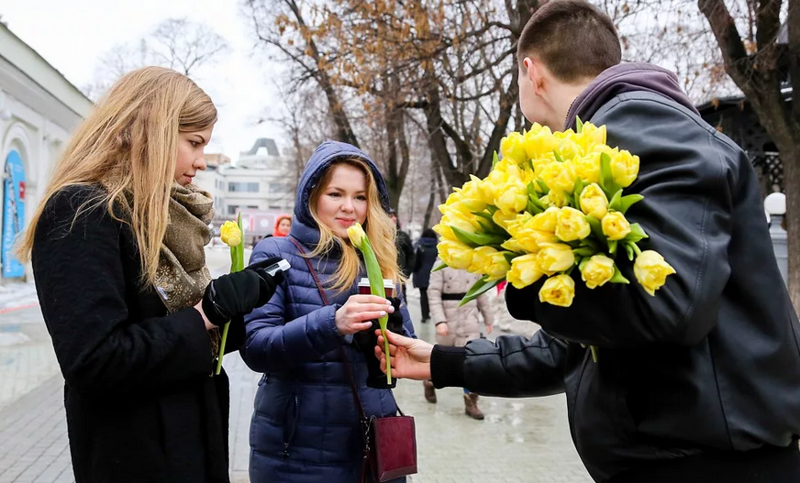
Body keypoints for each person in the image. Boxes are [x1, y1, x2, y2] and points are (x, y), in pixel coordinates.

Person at [374, 1, 800, 482]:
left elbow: (671, 307)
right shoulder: (615, 135)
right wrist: (443, 362)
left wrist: (525, 274)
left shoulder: (642, 126)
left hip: (708, 464)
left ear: (531, 72)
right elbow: (577, 349)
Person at [17, 67, 283, 483]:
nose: (199, 162)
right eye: (194, 143)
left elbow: (175, 336)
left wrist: (253, 305)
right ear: (152, 130)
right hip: (133, 455)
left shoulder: (160, 217)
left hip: (192, 444)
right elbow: (94, 361)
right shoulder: (81, 212)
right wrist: (206, 314)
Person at [240, 141, 416, 482]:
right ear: (311, 197)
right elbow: (257, 347)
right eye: (335, 194)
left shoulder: (377, 259)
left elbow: (404, 350)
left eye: (360, 197)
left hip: (370, 441)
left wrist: (391, 337)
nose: (349, 207)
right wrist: (333, 322)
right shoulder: (276, 253)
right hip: (298, 449)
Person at [424, 263, 494, 418]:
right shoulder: (440, 265)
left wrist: (488, 317)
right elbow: (433, 293)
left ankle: (471, 401)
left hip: (470, 320)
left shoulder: (473, 264)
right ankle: (429, 381)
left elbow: (481, 293)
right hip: (449, 321)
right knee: (444, 361)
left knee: (471, 361)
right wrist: (439, 320)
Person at [411, 228, 438, 323]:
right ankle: (433, 314)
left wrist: (415, 272)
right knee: (434, 295)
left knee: (423, 295)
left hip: (422, 274)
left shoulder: (420, 248)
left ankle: (424, 315)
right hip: (435, 274)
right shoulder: (437, 248)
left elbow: (416, 263)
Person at [390, 209, 415, 298]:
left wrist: (405, 273)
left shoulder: (403, 236)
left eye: (394, 216)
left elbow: (411, 256)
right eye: (390, 216)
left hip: (399, 279)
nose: (393, 218)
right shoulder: (378, 236)